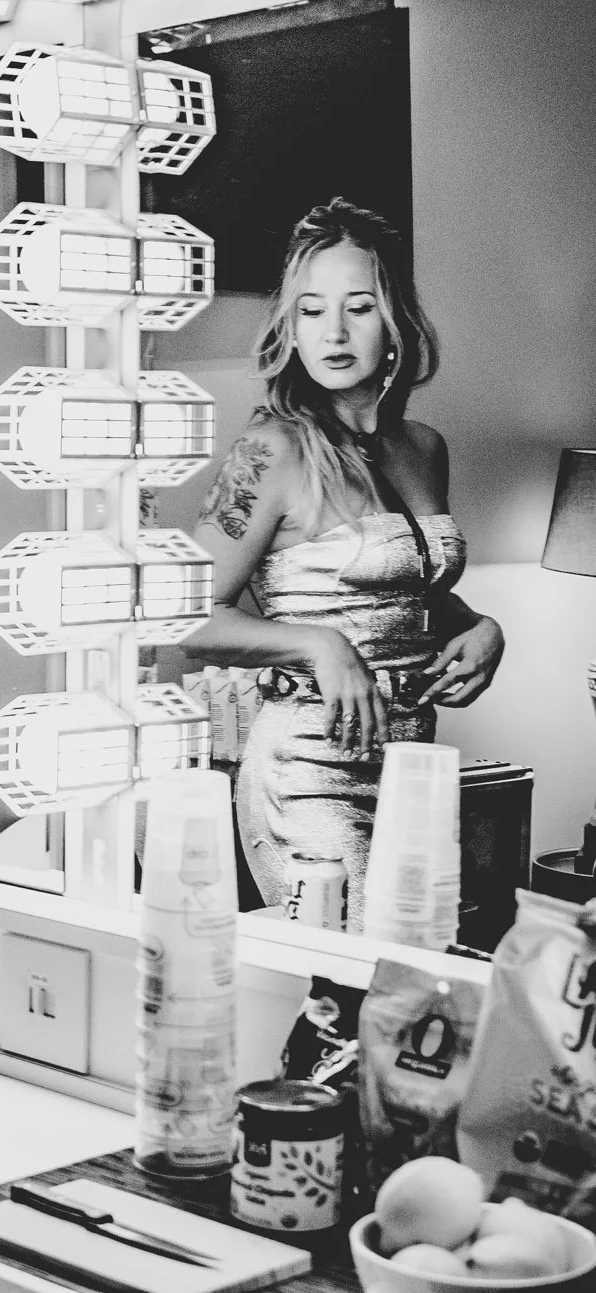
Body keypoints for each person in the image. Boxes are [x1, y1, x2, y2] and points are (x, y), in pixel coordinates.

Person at [184, 197, 502, 932]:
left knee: (409, 973)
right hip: (308, 771)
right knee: (347, 975)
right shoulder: (272, 450)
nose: (333, 331)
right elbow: (188, 618)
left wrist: (482, 627)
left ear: (394, 323)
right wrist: (318, 644)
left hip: (412, 763)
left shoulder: (424, 447)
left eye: (358, 308)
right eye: (311, 310)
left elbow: (409, 591)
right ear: (290, 327)